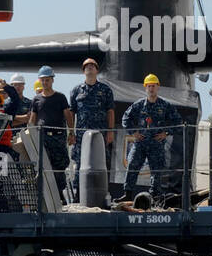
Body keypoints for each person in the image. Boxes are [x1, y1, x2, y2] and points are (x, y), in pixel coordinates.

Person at [120, 74, 179, 200]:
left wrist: (166, 133)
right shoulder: (139, 105)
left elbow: (178, 122)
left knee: (156, 171)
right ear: (145, 88)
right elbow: (125, 118)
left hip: (156, 144)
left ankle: (155, 196)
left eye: (153, 86)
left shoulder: (165, 105)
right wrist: (134, 132)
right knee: (132, 166)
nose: (151, 89)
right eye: (149, 86)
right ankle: (127, 195)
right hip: (140, 143)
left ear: (158, 87)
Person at [68, 57, 114, 195]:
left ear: (97, 70)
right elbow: (71, 112)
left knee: (102, 163)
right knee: (79, 164)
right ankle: (77, 195)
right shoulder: (76, 90)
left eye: (92, 66)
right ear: (83, 71)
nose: (89, 68)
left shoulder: (105, 90)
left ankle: (103, 193)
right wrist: (71, 133)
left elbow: (110, 111)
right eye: (86, 66)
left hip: (100, 134)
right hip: (81, 135)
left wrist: (110, 132)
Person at [27, 65, 74, 197]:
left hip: (58, 137)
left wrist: (72, 132)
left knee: (59, 166)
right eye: (42, 80)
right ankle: (46, 196)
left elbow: (68, 115)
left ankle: (59, 195)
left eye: (47, 80)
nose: (44, 82)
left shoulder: (60, 97)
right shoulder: (36, 99)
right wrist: (30, 134)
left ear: (52, 80)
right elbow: (32, 119)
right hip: (43, 138)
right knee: (44, 166)